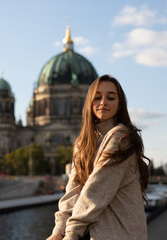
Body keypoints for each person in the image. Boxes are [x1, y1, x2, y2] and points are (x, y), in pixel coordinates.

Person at [46, 74, 151, 240]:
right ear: (89, 102)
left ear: (120, 103)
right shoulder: (82, 144)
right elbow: (73, 190)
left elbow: (96, 190)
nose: (103, 102)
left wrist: (71, 234)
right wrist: (58, 231)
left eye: (111, 97)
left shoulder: (122, 137)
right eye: (97, 97)